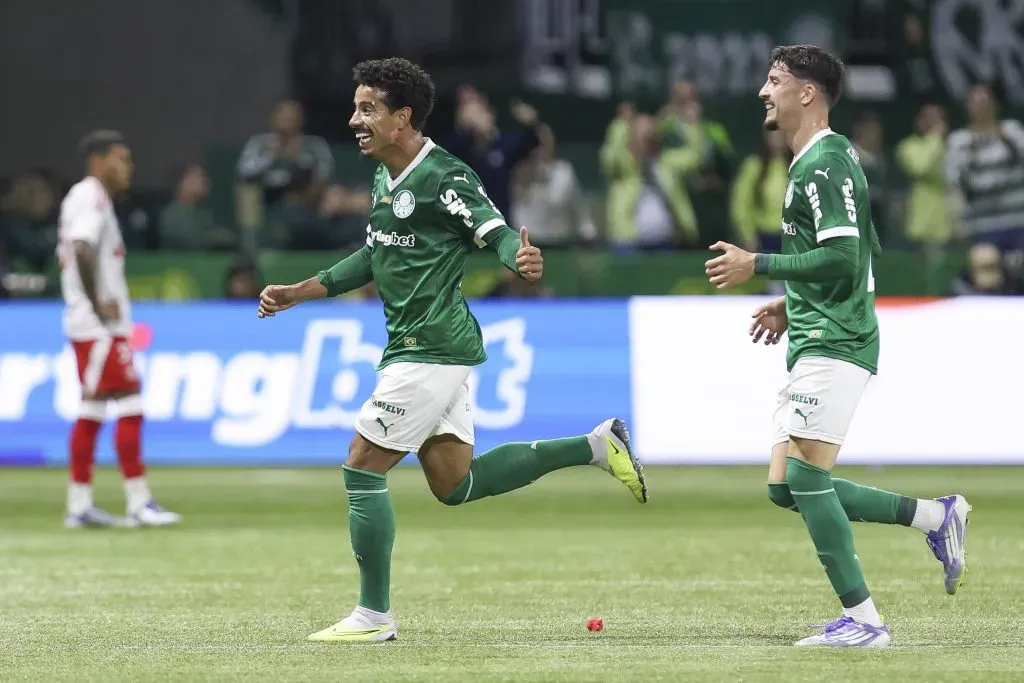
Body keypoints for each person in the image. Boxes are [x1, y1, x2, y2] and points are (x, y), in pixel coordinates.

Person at [255, 58, 647, 643]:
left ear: (402, 117)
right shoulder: (386, 176)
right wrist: (299, 292)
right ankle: (595, 445)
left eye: (368, 110)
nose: (355, 121)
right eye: (356, 108)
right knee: (454, 484)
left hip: (429, 348)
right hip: (427, 346)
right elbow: (374, 256)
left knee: (361, 467)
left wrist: (519, 256)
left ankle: (373, 617)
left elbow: (495, 231)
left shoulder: (445, 177)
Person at [703, 45, 969, 648]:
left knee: (804, 475)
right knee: (785, 485)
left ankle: (866, 621)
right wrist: (791, 302)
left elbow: (846, 256)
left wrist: (759, 264)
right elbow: (856, 251)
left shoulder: (822, 165)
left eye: (774, 80)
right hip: (821, 329)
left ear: (807, 93)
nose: (763, 91)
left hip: (837, 338)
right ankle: (936, 517)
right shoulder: (826, 157)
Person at [57, 130, 181, 528]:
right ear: (98, 161)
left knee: (93, 409)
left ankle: (80, 504)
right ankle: (138, 502)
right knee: (130, 404)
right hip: (99, 328)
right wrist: (98, 304)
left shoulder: (89, 197)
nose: (129, 167)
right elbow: (81, 247)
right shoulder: (90, 195)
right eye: (121, 159)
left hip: (96, 327)